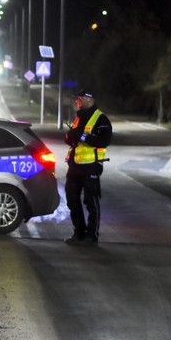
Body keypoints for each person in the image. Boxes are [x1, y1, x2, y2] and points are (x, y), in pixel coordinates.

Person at [63, 88, 112, 245]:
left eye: (81, 98)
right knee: (72, 199)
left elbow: (104, 141)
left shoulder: (101, 119)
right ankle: (79, 233)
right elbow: (73, 137)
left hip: (90, 166)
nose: (78, 101)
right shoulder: (79, 116)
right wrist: (70, 137)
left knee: (90, 201)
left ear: (89, 99)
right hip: (75, 165)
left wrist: (83, 137)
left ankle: (92, 236)